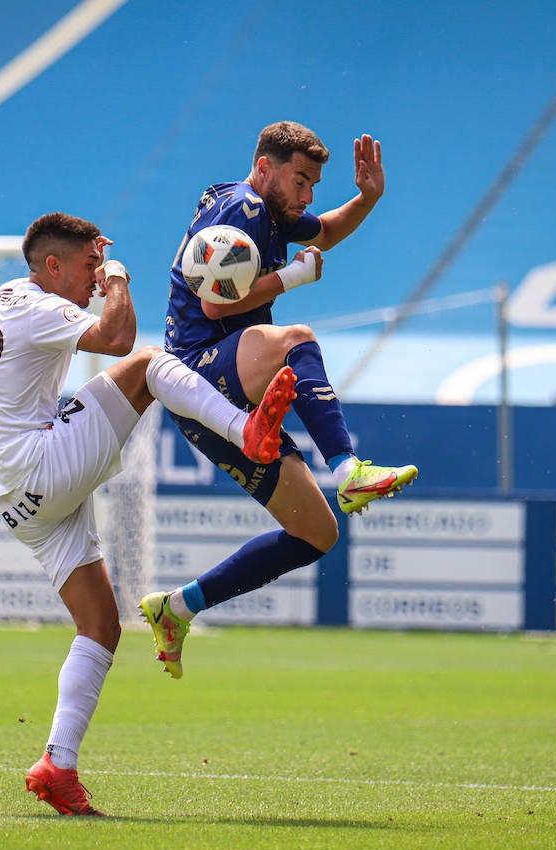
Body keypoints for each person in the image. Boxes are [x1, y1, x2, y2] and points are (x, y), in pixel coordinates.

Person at [0, 212, 296, 816]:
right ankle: (244, 430)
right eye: (87, 266)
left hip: (16, 499)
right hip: (39, 465)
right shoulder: (35, 303)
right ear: (51, 266)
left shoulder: (11, 298)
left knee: (101, 627)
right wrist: (118, 275)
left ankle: (57, 765)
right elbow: (117, 339)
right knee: (146, 363)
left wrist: (98, 270)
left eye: (99, 267)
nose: (95, 277)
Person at [141, 121, 415, 678]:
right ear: (265, 167)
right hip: (200, 370)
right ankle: (348, 469)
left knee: (317, 533)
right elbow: (216, 306)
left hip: (218, 406)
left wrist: (367, 198)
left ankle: (177, 608)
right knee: (296, 340)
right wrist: (291, 277)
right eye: (300, 181)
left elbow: (325, 232)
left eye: (314, 184)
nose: (308, 196)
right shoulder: (243, 208)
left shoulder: (267, 210)